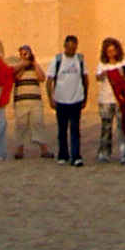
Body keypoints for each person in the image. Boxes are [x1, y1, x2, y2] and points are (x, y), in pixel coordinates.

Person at [50, 34, 89, 166]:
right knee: (62, 130)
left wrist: (85, 96)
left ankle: (76, 156)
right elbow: (49, 80)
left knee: (75, 129)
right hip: (61, 99)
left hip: (76, 98)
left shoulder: (80, 60)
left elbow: (85, 79)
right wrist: (51, 98)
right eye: (69, 47)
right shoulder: (58, 60)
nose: (72, 50)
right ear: (65, 46)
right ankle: (63, 154)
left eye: (74, 47)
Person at [96, 37, 125, 163]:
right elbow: (98, 77)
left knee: (122, 128)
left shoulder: (123, 63)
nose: (111, 53)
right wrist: (106, 73)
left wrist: (121, 75)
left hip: (120, 100)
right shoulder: (102, 65)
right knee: (106, 127)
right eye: (109, 51)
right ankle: (104, 153)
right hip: (106, 100)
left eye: (113, 50)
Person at [9, 45, 48, 159]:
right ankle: (19, 151)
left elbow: (42, 77)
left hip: (35, 102)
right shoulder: (17, 67)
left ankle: (44, 150)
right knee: (20, 126)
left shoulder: (35, 66)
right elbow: (16, 77)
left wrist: (34, 62)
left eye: (27, 53)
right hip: (21, 102)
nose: (25, 56)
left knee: (38, 124)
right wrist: (23, 65)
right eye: (23, 54)